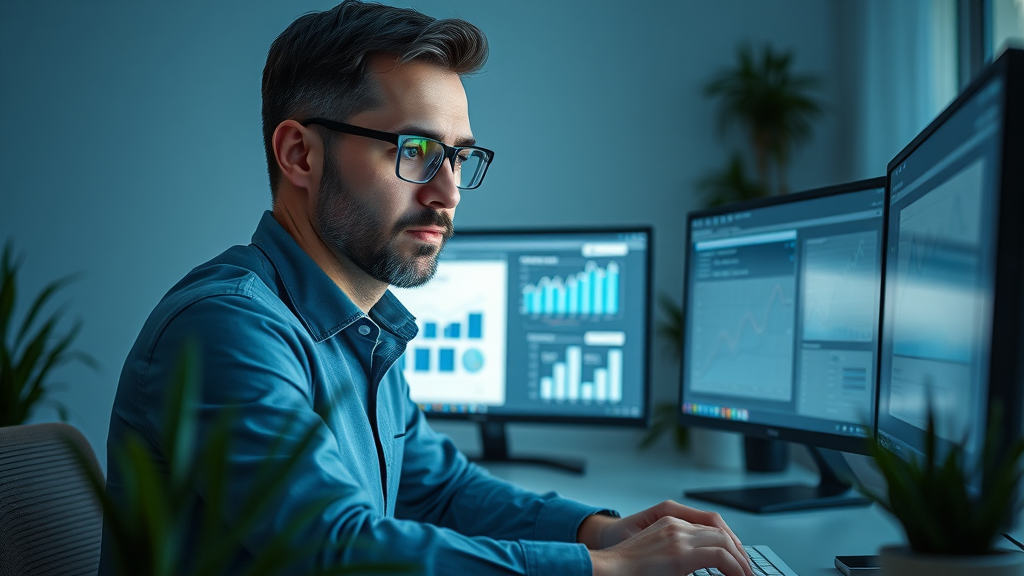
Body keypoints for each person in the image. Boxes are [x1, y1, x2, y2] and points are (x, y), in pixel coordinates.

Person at [102, 2, 755, 575]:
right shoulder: (228, 329)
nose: (446, 193)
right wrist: (599, 570)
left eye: (459, 157)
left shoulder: (363, 329)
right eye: (414, 150)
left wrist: (601, 532)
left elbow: (438, 490)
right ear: (300, 154)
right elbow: (334, 553)